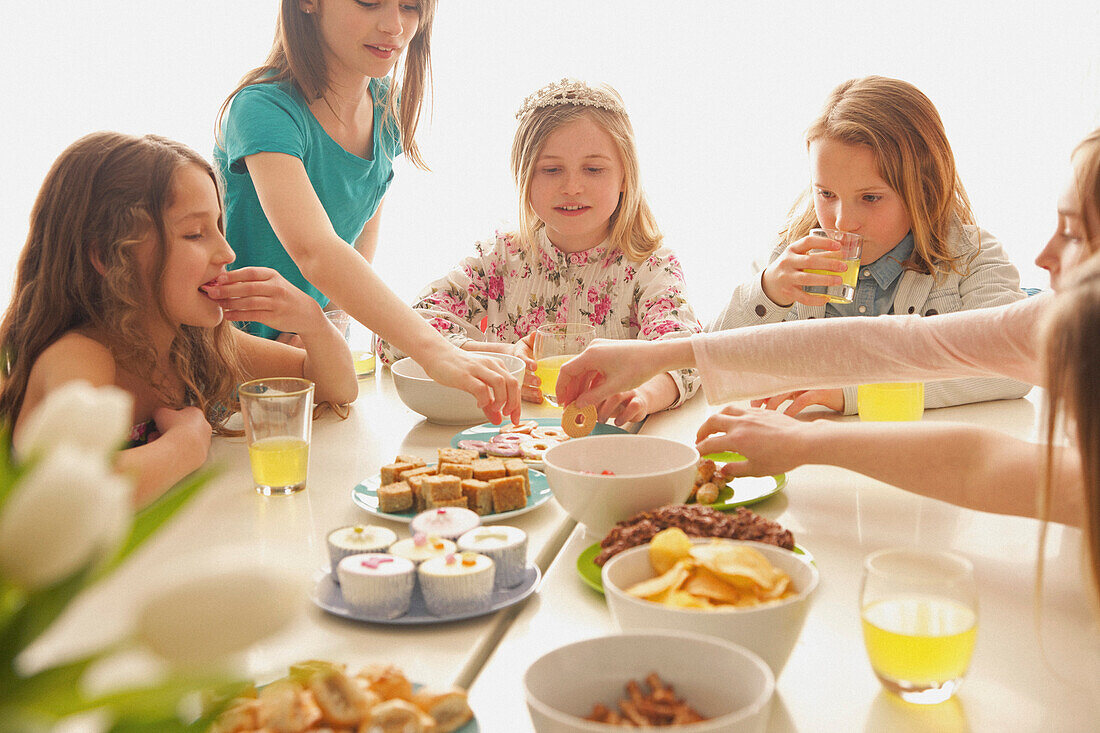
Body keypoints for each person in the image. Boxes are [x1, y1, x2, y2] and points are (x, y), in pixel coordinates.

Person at [555, 128, 1100, 601]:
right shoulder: (1061, 320)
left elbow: (983, 462)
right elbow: (894, 345)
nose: (1044, 255)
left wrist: (816, 438)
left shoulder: (981, 261)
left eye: (1074, 234)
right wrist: (666, 352)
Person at [0, 132, 358, 507]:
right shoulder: (80, 356)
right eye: (194, 233)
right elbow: (64, 495)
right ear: (108, 258)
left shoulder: (193, 344)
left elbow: (336, 387)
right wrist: (184, 447)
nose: (227, 252)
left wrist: (312, 322)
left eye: (219, 227)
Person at [214, 0, 520, 425]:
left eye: (410, 7)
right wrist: (436, 352)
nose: (394, 25)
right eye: (369, 2)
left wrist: (322, 329)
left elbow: (355, 244)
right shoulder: (263, 108)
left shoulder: (385, 109)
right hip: (227, 355)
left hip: (308, 361)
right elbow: (316, 250)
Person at [376, 79, 702, 425]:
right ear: (524, 176)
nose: (572, 187)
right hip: (510, 444)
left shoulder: (650, 265)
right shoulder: (499, 257)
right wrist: (505, 358)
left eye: (593, 169)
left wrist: (642, 395)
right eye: (551, 170)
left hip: (610, 450)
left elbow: (687, 355)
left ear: (625, 177)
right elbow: (397, 337)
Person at [708, 76, 1029, 416]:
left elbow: (1014, 366)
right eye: (826, 194)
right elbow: (709, 364)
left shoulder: (973, 258)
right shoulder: (790, 255)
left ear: (923, 189)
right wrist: (767, 292)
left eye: (870, 197)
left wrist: (854, 393)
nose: (843, 221)